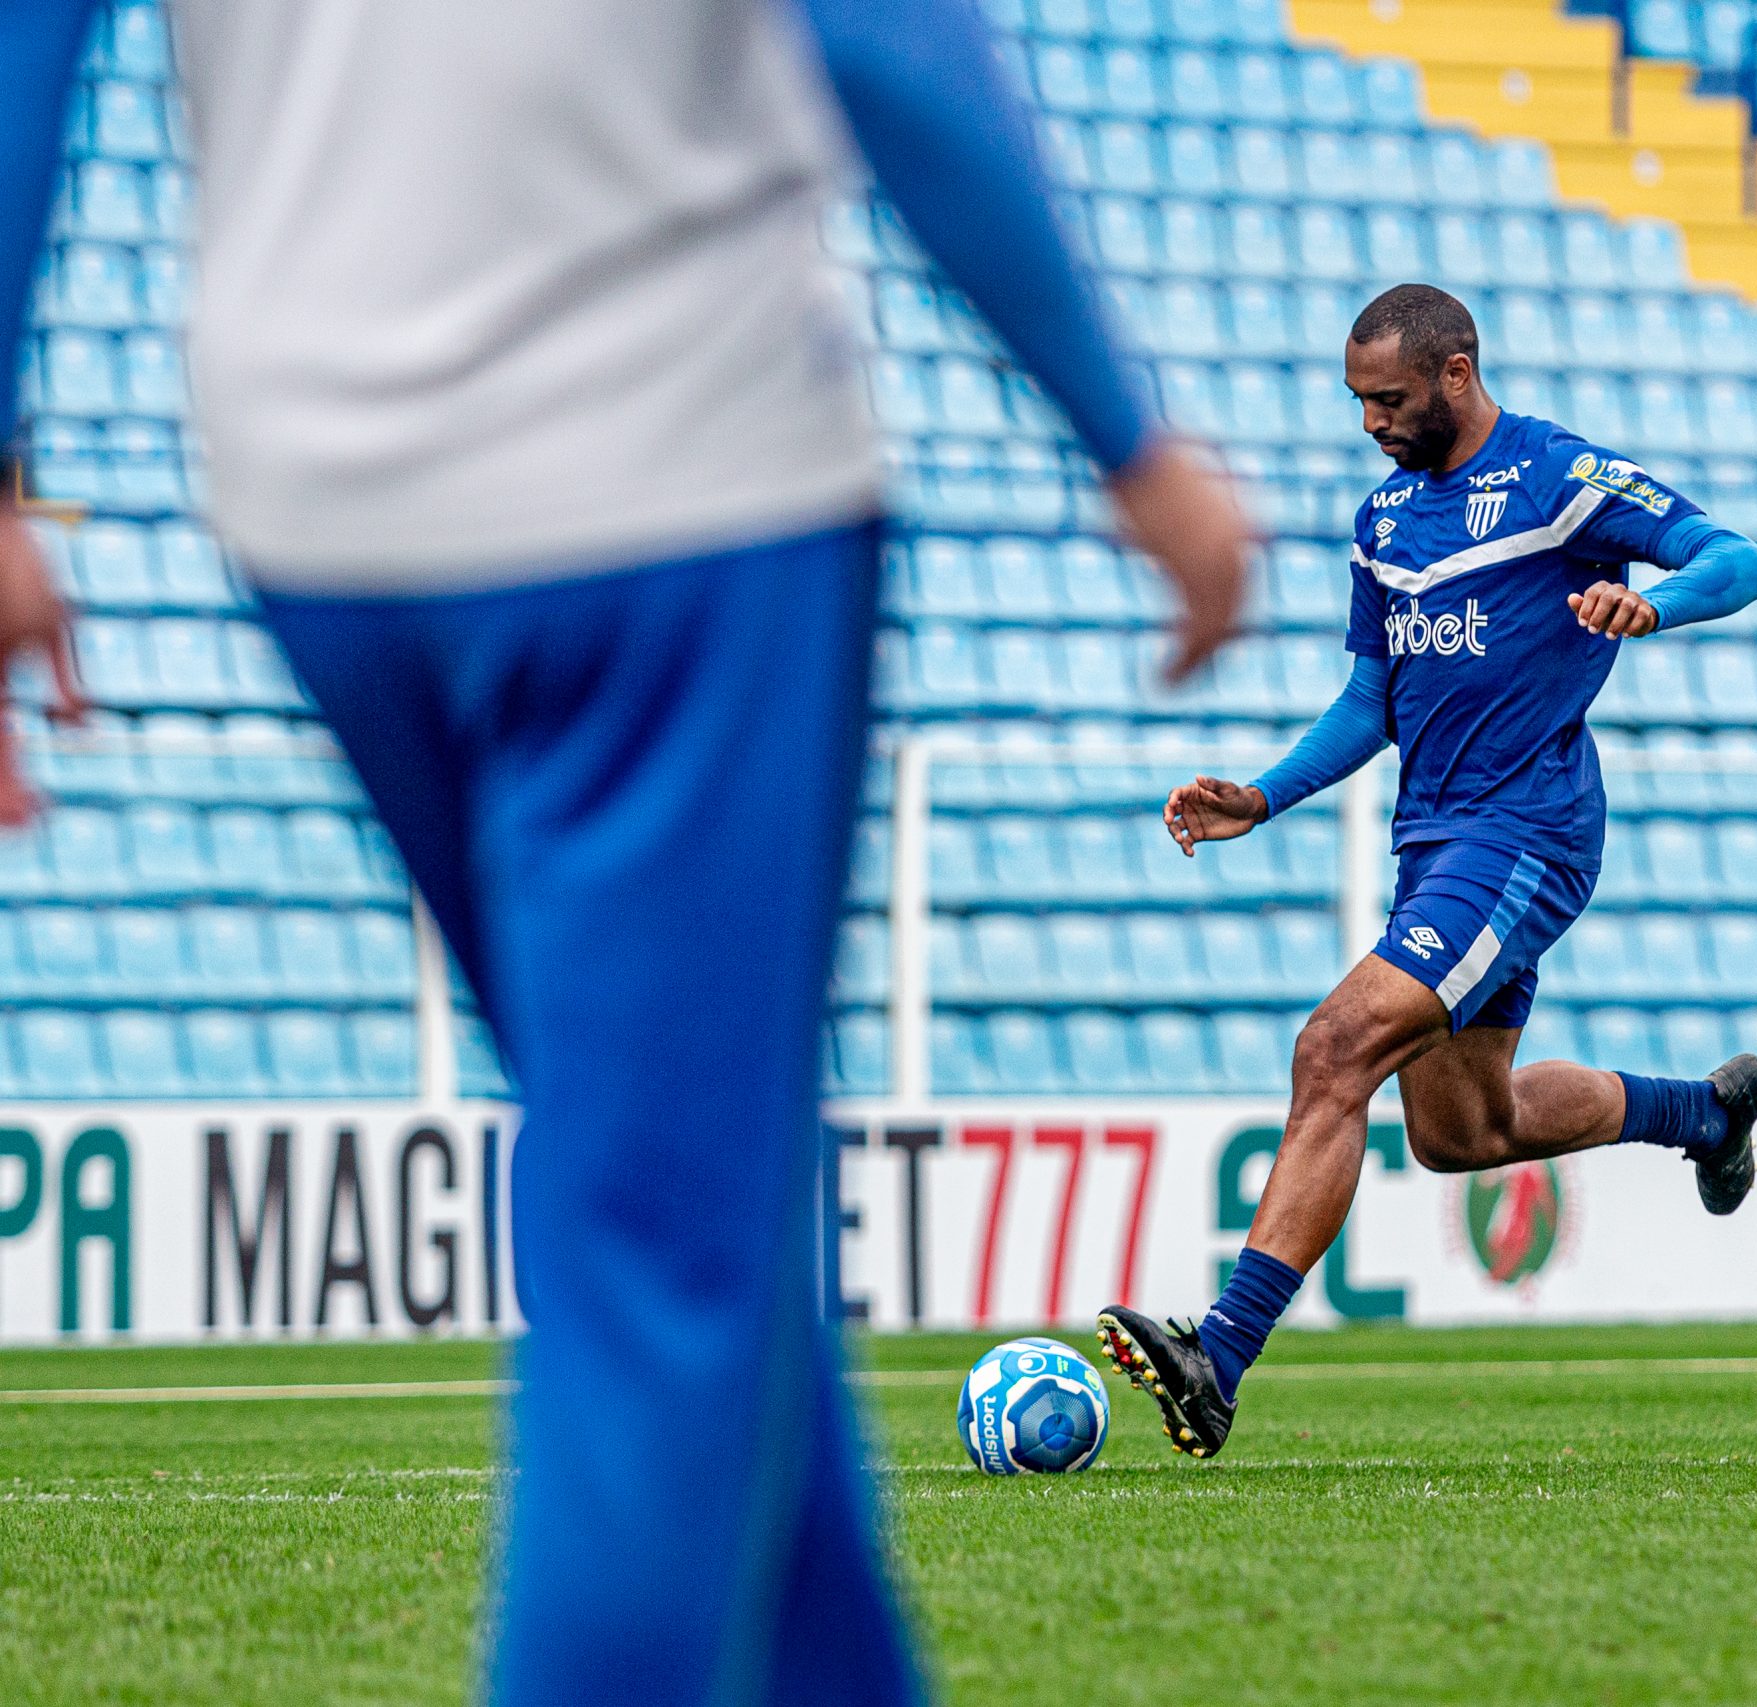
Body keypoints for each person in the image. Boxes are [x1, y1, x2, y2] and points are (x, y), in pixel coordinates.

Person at [0, 2, 1251, 1702]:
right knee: (667, 1247)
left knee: (692, 1191)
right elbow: (888, 44)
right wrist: (1130, 437)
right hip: (676, 488)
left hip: (317, 511)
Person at [1098, 284, 1757, 1460]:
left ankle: (1220, 1353)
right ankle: (1706, 1114)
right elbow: (1373, 698)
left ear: (1456, 373)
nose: (1372, 422)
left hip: (1523, 831)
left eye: (1391, 399)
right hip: (1438, 842)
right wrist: (1263, 794)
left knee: (1332, 1047)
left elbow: (1742, 560)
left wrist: (1649, 603)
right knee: (1463, 1133)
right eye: (1359, 401)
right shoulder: (1385, 522)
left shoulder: (1558, 480)